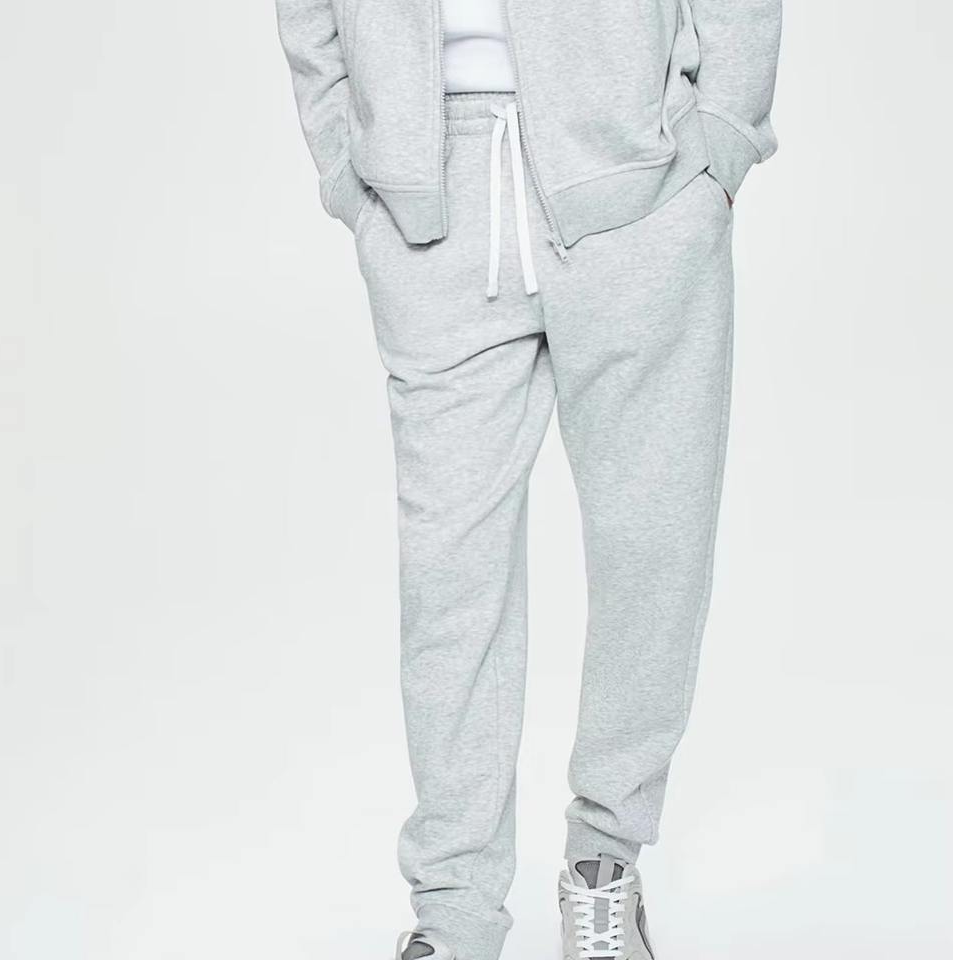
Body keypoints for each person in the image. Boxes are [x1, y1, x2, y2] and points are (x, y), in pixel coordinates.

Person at [275, 1, 781, 958]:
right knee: (449, 580)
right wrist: (348, 165)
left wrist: (722, 136)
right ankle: (455, 914)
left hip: (638, 186)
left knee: (651, 548)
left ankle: (605, 861)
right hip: (430, 205)